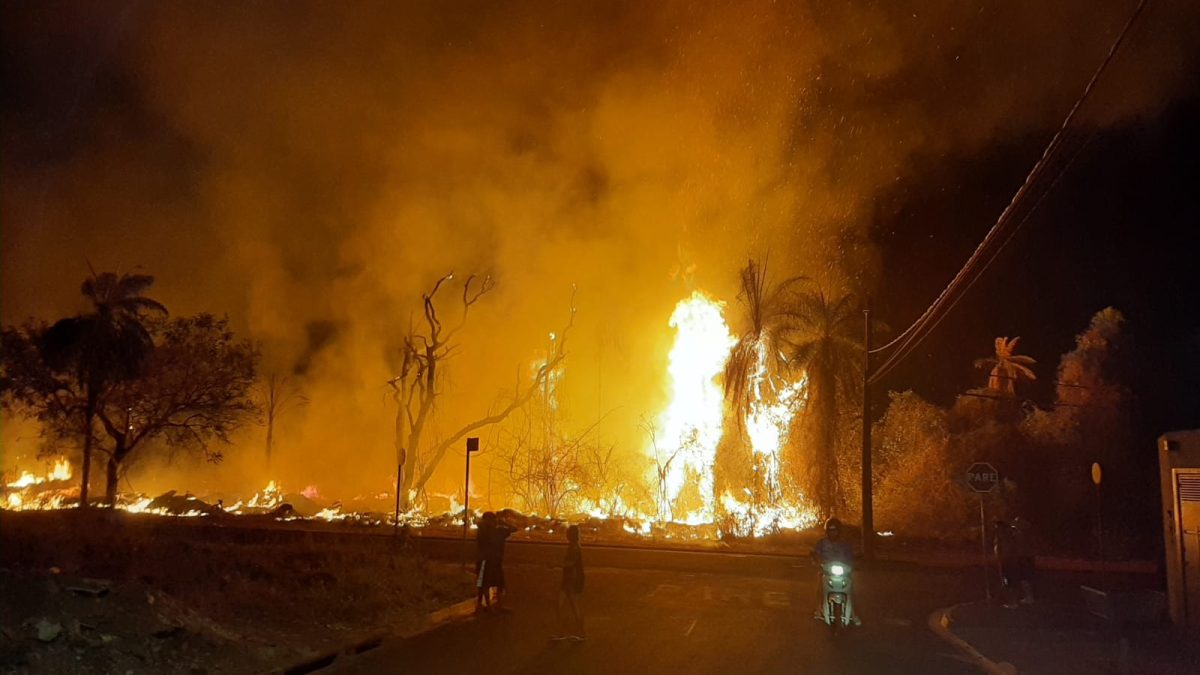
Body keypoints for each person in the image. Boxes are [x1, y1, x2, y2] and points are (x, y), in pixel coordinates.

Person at [811, 517, 859, 625]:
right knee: (819, 583)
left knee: (851, 587)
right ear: (827, 531)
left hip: (843, 571)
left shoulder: (845, 545)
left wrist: (854, 563)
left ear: (839, 531)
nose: (833, 533)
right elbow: (816, 554)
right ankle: (818, 609)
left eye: (835, 530)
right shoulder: (822, 543)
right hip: (826, 570)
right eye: (831, 530)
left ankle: (853, 613)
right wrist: (816, 561)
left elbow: (851, 557)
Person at [552, 524, 586, 642]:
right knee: (563, 605)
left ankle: (579, 633)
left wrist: (557, 564)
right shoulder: (573, 546)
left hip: (571, 580)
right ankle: (564, 632)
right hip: (568, 580)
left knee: (570, 606)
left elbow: (571, 563)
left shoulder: (575, 548)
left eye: (568, 533)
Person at [995, 516, 1035, 608]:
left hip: (1019, 559)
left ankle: (1014, 602)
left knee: (1015, 580)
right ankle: (1028, 597)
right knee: (1023, 578)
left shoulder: (1018, 536)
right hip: (1021, 558)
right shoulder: (1020, 536)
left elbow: (1009, 548)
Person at [475, 512, 497, 613]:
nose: (494, 522)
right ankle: (487, 605)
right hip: (484, 560)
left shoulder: (482, 530)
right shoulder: (485, 531)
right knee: (485, 583)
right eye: (492, 520)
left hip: (482, 559)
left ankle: (479, 605)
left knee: (481, 583)